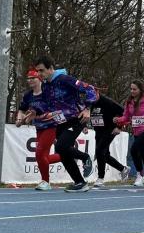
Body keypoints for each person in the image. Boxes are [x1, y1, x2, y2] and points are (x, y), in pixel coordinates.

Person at [33, 56, 97, 192]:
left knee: (62, 146)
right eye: (37, 71)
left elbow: (91, 89)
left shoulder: (65, 80)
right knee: (61, 151)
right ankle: (80, 182)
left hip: (76, 118)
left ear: (51, 68)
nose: (39, 74)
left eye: (42, 71)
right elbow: (48, 104)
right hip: (60, 121)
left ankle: (85, 157)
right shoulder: (45, 85)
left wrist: (87, 109)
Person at [15, 68, 61, 191]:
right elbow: (21, 109)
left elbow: (55, 108)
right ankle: (65, 156)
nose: (30, 81)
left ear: (39, 78)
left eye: (33, 78)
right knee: (42, 157)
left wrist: (38, 113)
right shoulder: (28, 95)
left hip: (51, 126)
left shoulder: (48, 91)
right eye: (28, 79)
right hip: (39, 127)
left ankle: (46, 181)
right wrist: (19, 120)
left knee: (39, 154)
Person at [114, 80, 144, 188]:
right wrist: (118, 120)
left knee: (134, 150)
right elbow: (126, 116)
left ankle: (140, 175)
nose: (132, 91)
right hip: (137, 130)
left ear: (141, 90)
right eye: (131, 89)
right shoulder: (129, 101)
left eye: (135, 89)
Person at [88, 91, 130, 188]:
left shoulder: (108, 102)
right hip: (98, 130)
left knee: (99, 151)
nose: (91, 99)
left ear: (97, 93)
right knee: (104, 155)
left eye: (93, 96)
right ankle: (123, 169)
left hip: (110, 130)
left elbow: (124, 113)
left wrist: (119, 127)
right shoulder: (91, 103)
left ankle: (100, 178)